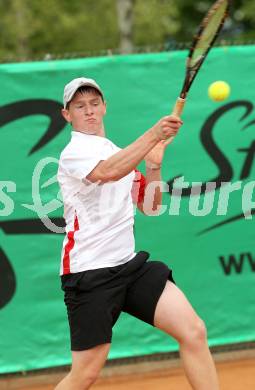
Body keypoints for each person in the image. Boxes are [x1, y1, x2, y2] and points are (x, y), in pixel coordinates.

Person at [56, 77, 219, 390]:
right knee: (85, 375)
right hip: (90, 273)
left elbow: (151, 205)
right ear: (67, 115)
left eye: (93, 104)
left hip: (129, 267)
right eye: (79, 106)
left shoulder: (119, 152)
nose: (88, 111)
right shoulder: (74, 153)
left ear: (104, 107)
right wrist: (153, 134)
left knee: (193, 331)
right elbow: (107, 171)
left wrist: (154, 166)